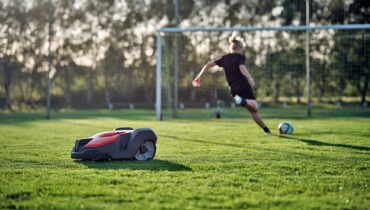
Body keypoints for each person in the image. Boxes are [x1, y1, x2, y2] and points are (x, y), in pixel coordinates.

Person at [192, 33, 271, 135]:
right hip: (243, 85)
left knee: (252, 111)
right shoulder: (240, 57)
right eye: (242, 49)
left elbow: (208, 65)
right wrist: (250, 77)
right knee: (255, 107)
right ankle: (244, 101)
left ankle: (266, 130)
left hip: (233, 89)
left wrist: (199, 77)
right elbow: (242, 68)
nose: (242, 51)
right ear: (239, 48)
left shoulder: (224, 58)